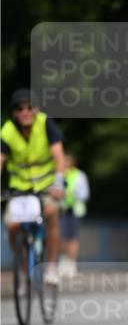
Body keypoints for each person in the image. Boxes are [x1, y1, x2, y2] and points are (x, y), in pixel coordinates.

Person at [1, 88, 65, 285]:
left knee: (52, 212)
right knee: (11, 225)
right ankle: (23, 269)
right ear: (14, 113)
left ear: (36, 109)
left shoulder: (46, 124)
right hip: (19, 189)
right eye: (20, 109)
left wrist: (59, 183)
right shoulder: (7, 131)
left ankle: (52, 267)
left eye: (29, 108)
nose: (25, 112)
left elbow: (59, 157)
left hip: (46, 186)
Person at [60, 151, 90, 275]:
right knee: (60, 237)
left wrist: (72, 193)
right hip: (61, 209)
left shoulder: (79, 175)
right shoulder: (59, 175)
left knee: (72, 238)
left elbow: (85, 194)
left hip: (74, 210)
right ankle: (63, 260)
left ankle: (71, 263)